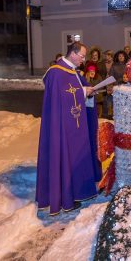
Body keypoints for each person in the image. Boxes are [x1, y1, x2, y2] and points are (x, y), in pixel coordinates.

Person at [36, 41, 102, 215]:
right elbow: (62, 98)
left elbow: (77, 92)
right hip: (63, 127)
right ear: (73, 53)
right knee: (65, 156)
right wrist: (83, 92)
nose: (84, 60)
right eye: (82, 56)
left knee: (76, 156)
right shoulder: (56, 72)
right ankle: (65, 196)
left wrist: (89, 92)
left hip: (76, 125)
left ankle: (77, 191)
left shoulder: (73, 72)